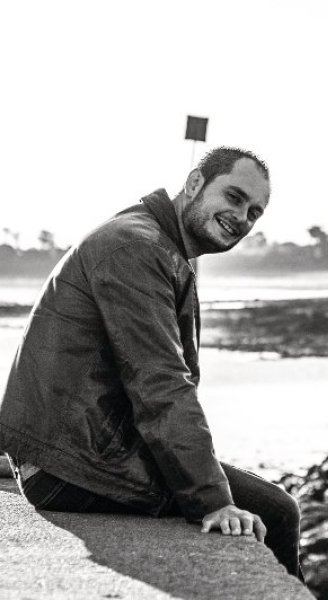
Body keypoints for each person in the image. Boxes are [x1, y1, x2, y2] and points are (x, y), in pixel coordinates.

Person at [0, 147, 303, 580]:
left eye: (254, 212)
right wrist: (212, 500)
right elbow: (160, 384)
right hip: (72, 469)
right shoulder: (137, 248)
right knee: (276, 509)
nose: (243, 218)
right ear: (195, 183)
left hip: (71, 451)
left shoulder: (158, 243)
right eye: (234, 197)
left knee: (261, 495)